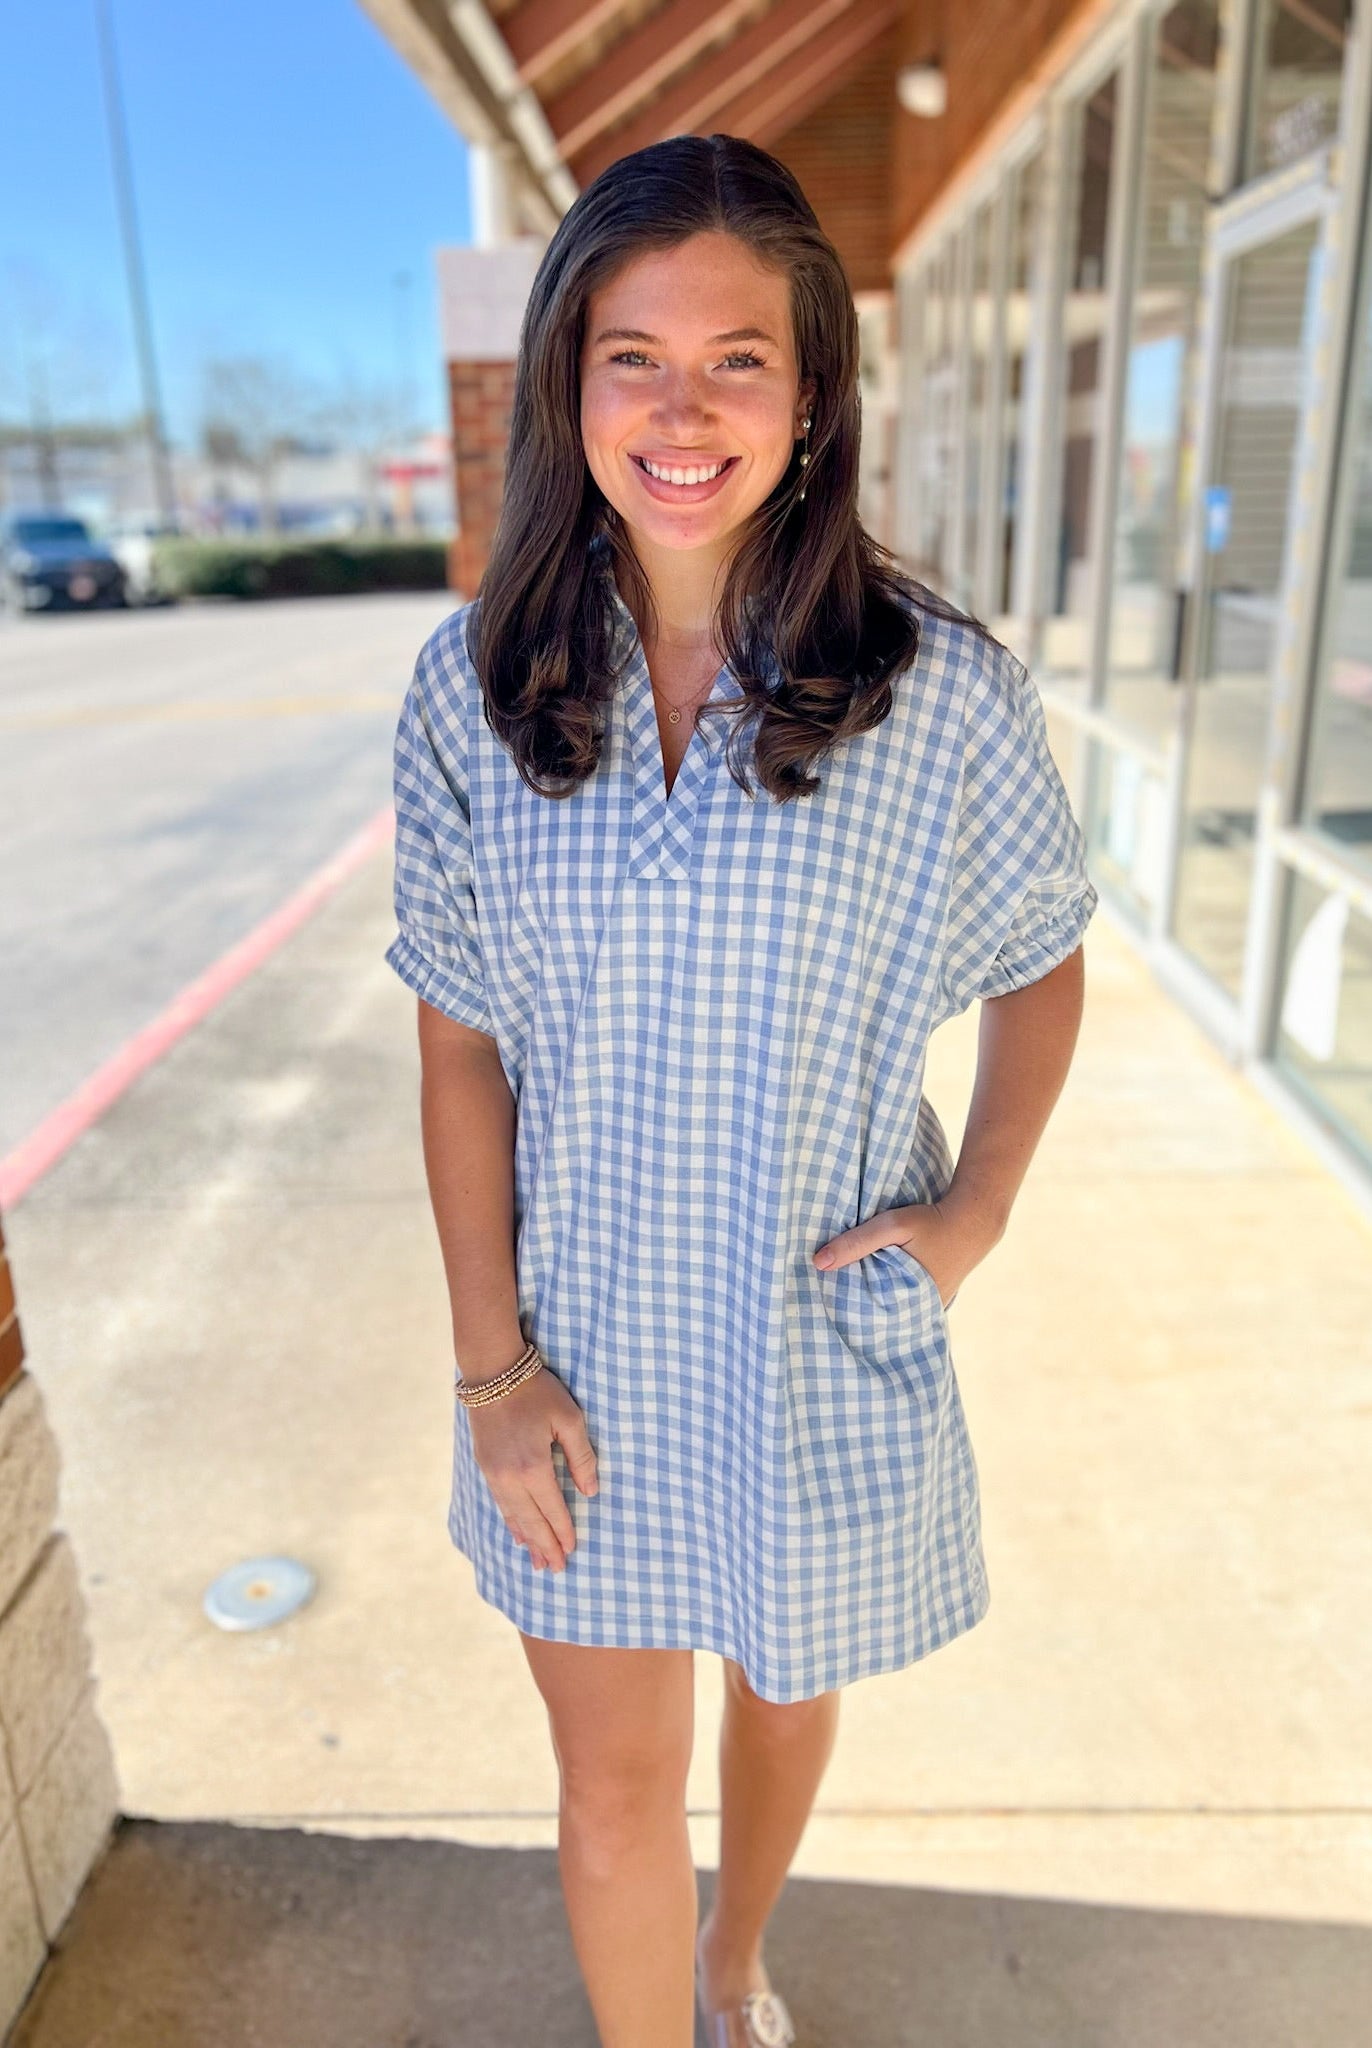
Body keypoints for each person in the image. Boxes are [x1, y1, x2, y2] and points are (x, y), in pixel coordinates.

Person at [385, 133, 1098, 2048]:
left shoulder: (941, 695)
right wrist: (491, 1371)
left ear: (812, 393)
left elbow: (1042, 957)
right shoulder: (473, 690)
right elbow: (457, 1045)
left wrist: (976, 1211)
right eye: (633, 356)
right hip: (577, 1361)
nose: (682, 412)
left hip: (814, 1332)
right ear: (568, 381)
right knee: (612, 1783)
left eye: (738, 361)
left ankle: (734, 1963)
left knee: (786, 1692)